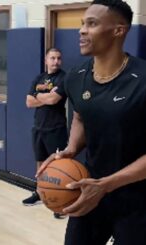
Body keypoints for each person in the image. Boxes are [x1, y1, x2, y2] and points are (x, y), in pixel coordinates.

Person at [37, 0, 146, 244]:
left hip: (137, 197)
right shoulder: (76, 76)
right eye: (82, 24)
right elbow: (80, 116)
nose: (82, 30)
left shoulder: (143, 80)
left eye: (92, 24)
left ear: (119, 30)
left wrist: (107, 185)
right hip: (89, 189)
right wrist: (71, 149)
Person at [22, 48, 67, 219]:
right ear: (46, 60)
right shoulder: (39, 78)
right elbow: (28, 102)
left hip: (56, 128)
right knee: (40, 163)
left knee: (59, 167)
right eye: (52, 58)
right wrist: (45, 96)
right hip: (38, 127)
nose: (56, 61)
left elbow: (54, 99)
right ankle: (40, 193)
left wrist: (38, 96)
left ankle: (61, 202)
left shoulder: (63, 78)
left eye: (58, 58)